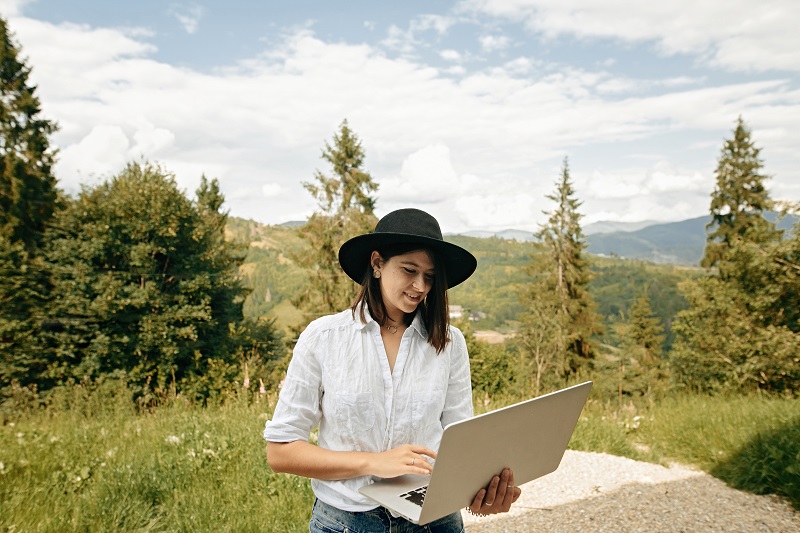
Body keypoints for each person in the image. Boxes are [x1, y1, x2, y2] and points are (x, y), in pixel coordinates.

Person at [264, 208, 522, 532]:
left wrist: (479, 492)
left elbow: (460, 444)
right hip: (346, 523)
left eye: (430, 276)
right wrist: (373, 462)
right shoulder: (323, 338)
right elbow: (281, 452)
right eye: (409, 270)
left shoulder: (449, 343)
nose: (420, 286)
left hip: (434, 521)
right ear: (376, 263)